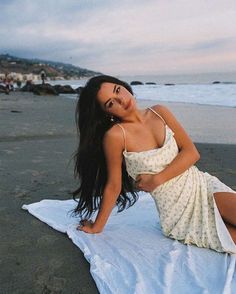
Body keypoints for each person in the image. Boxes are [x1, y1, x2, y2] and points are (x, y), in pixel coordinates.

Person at [72, 75, 236, 253]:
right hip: (178, 212)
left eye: (117, 90)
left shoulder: (159, 112)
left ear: (124, 86)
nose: (121, 100)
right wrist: (97, 227)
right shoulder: (116, 136)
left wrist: (156, 179)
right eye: (111, 103)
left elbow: (191, 152)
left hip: (201, 186)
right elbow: (113, 185)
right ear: (107, 114)